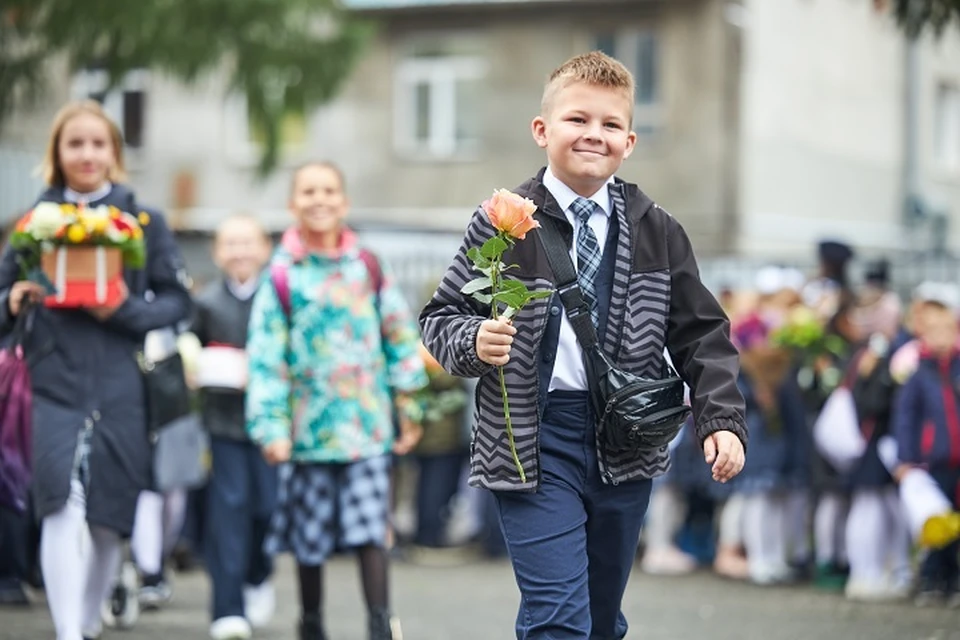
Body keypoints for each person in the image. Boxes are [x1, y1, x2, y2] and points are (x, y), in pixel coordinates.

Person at [419, 51, 747, 639]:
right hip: (531, 441)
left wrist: (720, 418)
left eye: (610, 125)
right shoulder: (502, 221)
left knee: (597, 620)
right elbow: (441, 317)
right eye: (578, 120)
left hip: (627, 443)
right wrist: (475, 339)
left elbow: (702, 333)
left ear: (630, 141)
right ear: (542, 131)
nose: (594, 135)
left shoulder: (658, 229)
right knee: (558, 620)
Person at [0, 100, 192, 640]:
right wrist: (13, 302)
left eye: (97, 143)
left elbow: (178, 302)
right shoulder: (32, 224)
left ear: (114, 152)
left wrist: (121, 310)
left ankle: (85, 622)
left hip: (120, 383)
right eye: (74, 144)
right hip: (50, 381)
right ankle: (68, 633)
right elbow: (1, 299)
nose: (86, 154)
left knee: (109, 516)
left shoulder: (142, 220)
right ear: (56, 154)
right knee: (60, 503)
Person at [245, 162, 427, 640]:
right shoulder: (283, 275)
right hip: (307, 434)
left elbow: (399, 336)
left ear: (344, 202)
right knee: (310, 541)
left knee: (372, 531)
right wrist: (270, 427)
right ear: (293, 204)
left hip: (367, 428)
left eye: (329, 190)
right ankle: (311, 623)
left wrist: (409, 405)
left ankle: (379, 624)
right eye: (308, 191)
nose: (319, 199)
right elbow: (266, 358)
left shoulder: (367, 265)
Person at [192, 214, 277, 639]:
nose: (240, 251)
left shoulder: (279, 296)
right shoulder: (205, 302)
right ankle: (227, 607)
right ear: (217, 252)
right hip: (224, 421)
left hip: (272, 424)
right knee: (229, 509)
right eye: (231, 243)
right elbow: (189, 350)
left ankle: (258, 574)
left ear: (265, 248)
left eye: (248, 242)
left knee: (266, 508)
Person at [892, 294, 960, 608]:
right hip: (936, 460)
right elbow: (905, 418)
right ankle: (934, 578)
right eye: (934, 332)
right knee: (937, 522)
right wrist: (906, 457)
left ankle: (954, 578)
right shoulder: (919, 375)